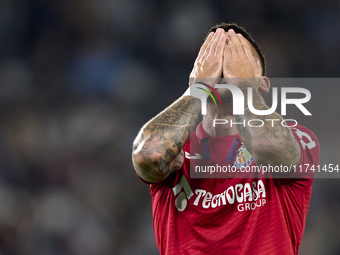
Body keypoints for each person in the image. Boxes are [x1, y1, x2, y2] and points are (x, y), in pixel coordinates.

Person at [132, 23, 320, 255]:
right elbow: (148, 158)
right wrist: (199, 89)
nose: (225, 69)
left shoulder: (297, 137)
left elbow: (266, 147)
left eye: (239, 60)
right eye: (214, 59)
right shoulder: (180, 147)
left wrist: (244, 89)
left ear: (262, 83)